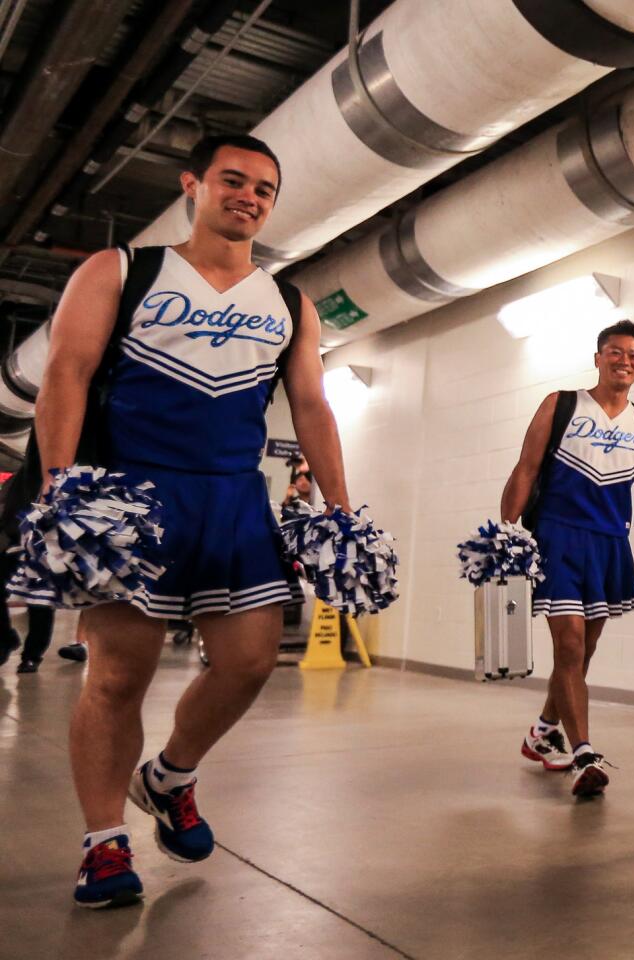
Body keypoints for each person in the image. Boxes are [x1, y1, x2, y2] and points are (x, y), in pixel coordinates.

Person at [34, 133, 353, 908]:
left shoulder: (286, 300)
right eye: (233, 181)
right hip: (131, 494)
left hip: (234, 497)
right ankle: (104, 844)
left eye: (264, 189)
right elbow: (66, 374)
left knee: (246, 664)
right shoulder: (121, 270)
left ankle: (170, 775)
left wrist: (343, 513)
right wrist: (61, 491)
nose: (248, 197)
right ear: (193, 186)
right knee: (116, 676)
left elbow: (310, 404)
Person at [500, 319, 634, 798]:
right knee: (568, 647)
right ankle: (584, 752)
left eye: (633, 354)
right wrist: (505, 536)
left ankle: (544, 730)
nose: (624, 360)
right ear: (597, 358)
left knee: (582, 652)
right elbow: (526, 468)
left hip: (610, 543)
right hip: (558, 537)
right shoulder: (563, 403)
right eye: (614, 351)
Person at [0, 432, 56, 673]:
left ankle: (32, 654)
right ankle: (6, 639)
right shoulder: (30, 460)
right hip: (15, 523)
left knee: (40, 596)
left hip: (48, 525)